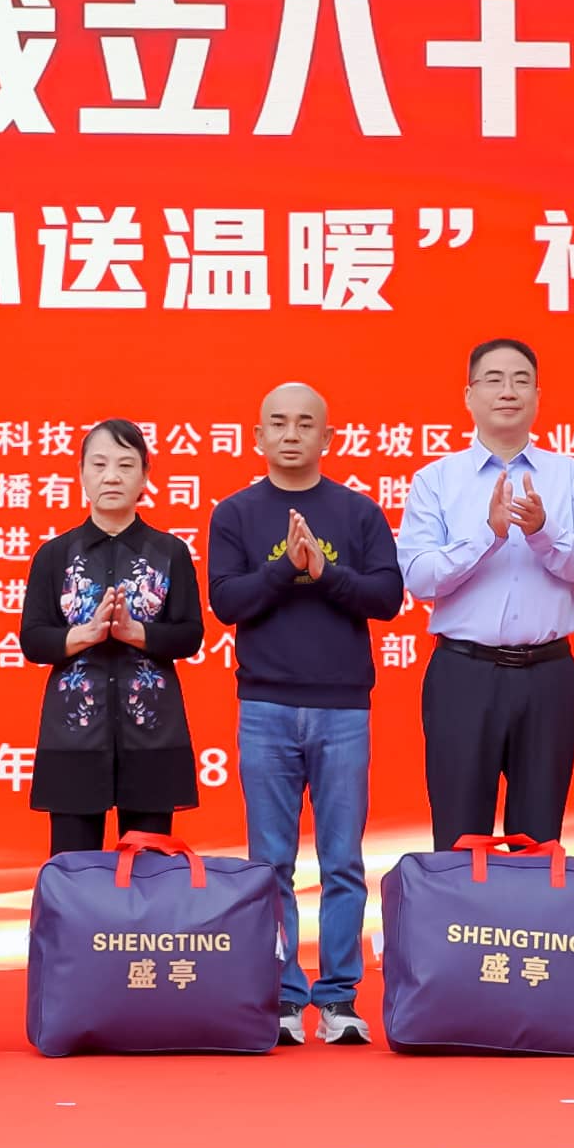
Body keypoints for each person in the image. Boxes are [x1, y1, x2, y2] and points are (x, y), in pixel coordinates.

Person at [206, 379, 405, 1045]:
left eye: (304, 424)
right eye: (278, 423)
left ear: (327, 436)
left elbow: (387, 598)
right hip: (264, 705)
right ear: (257, 435)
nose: (290, 434)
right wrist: (283, 570)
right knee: (270, 864)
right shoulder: (235, 514)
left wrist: (324, 571)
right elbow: (227, 602)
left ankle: (339, 998)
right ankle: (284, 997)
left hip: (341, 708)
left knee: (342, 860)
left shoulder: (357, 512)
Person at [397, 338, 574, 845]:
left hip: (547, 674)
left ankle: (531, 902)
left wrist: (543, 532)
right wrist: (487, 537)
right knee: (458, 836)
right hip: (463, 673)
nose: (508, 391)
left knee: (538, 837)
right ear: (469, 395)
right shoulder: (436, 479)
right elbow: (420, 577)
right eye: (493, 380)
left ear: (538, 396)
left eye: (521, 380)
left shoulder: (569, 476)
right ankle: (458, 902)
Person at [18, 418, 206, 852]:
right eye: (99, 464)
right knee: (73, 869)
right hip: (74, 737)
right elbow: (33, 639)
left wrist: (135, 632)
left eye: (125, 465)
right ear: (82, 473)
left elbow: (190, 635)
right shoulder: (54, 555)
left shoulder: (170, 552)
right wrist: (84, 635)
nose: (112, 476)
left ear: (144, 475)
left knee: (149, 870)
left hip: (152, 736)